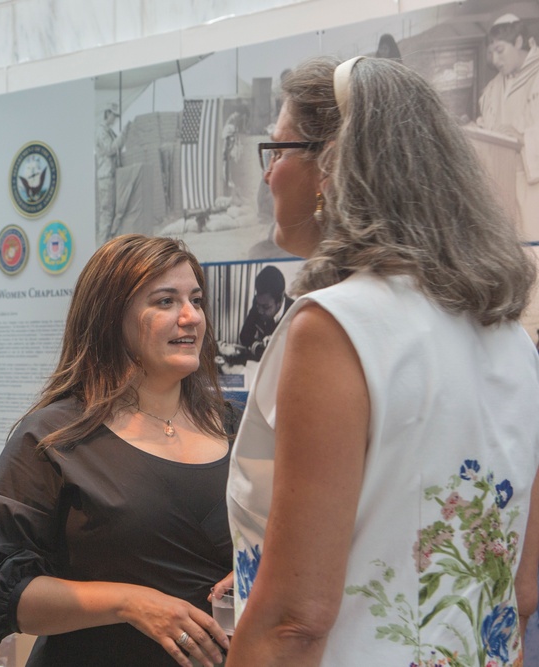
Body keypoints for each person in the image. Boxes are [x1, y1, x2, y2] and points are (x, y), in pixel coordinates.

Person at [221, 56, 539, 666]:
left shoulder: (336, 327)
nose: (268, 176)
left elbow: (296, 618)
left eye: (279, 150)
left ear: (331, 164)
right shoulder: (511, 341)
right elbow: (518, 593)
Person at [0, 234, 238, 667]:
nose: (190, 317)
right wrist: (129, 603)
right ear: (111, 318)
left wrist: (259, 577)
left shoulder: (236, 428)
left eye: (196, 300)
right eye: (165, 301)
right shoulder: (54, 436)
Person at [475, 14, 539, 235]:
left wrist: (521, 138)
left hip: (533, 186)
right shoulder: (494, 87)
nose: (495, 60)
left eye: (500, 50)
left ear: (519, 42)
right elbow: (489, 125)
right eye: (492, 53)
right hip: (502, 184)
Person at [237, 265, 293, 361]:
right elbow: (244, 335)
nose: (260, 311)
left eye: (266, 307)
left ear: (279, 302)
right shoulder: (258, 303)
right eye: (258, 305)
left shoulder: (295, 312)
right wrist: (258, 347)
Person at [95, 102, 129, 243]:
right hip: (105, 177)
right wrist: (122, 135)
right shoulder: (101, 131)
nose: (114, 119)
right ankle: (102, 247)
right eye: (113, 116)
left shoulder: (108, 131)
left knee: (110, 212)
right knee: (107, 213)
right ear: (107, 114)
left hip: (110, 175)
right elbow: (110, 149)